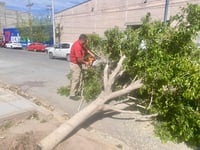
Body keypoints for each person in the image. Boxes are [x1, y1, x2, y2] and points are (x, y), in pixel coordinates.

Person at [69, 34, 94, 100]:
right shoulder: (77, 46)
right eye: (85, 41)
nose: (86, 42)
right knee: (76, 79)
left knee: (79, 78)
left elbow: (85, 50)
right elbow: (79, 59)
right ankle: (72, 95)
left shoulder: (80, 44)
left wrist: (91, 53)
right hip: (75, 64)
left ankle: (76, 92)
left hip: (78, 64)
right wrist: (86, 63)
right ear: (82, 40)